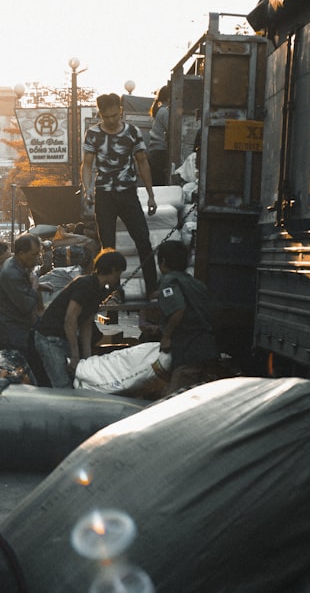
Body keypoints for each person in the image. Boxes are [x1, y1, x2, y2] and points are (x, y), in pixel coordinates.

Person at [82, 92, 159, 298]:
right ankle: (112, 290)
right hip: (104, 195)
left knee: (143, 240)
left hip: (128, 193)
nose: (112, 120)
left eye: (115, 115)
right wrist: (88, 189)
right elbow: (87, 164)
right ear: (100, 115)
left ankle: (153, 288)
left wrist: (151, 195)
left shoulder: (132, 132)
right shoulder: (93, 134)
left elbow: (142, 161)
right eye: (107, 117)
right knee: (107, 246)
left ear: (121, 112)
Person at [33, 249, 127, 388]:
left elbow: (86, 325)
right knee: (62, 384)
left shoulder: (98, 290)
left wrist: (87, 359)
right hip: (49, 339)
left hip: (62, 338)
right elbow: (70, 320)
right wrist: (76, 355)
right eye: (119, 273)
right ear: (113, 270)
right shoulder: (85, 285)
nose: (119, 277)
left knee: (76, 380)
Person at [151, 240, 220, 395]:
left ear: (162, 261)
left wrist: (167, 336)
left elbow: (178, 310)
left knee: (172, 401)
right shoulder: (194, 282)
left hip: (188, 351)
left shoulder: (168, 281)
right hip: (206, 349)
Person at [0, 233, 53, 376]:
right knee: (15, 377)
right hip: (9, 336)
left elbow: (24, 287)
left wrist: (40, 285)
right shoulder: (11, 273)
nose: (37, 259)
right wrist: (35, 287)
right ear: (22, 253)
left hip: (18, 332)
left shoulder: (18, 265)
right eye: (34, 254)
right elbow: (26, 305)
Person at [147, 84, 171, 186]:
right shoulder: (165, 112)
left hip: (155, 152)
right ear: (169, 97)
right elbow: (171, 130)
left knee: (157, 183)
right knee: (160, 183)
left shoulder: (160, 110)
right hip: (160, 152)